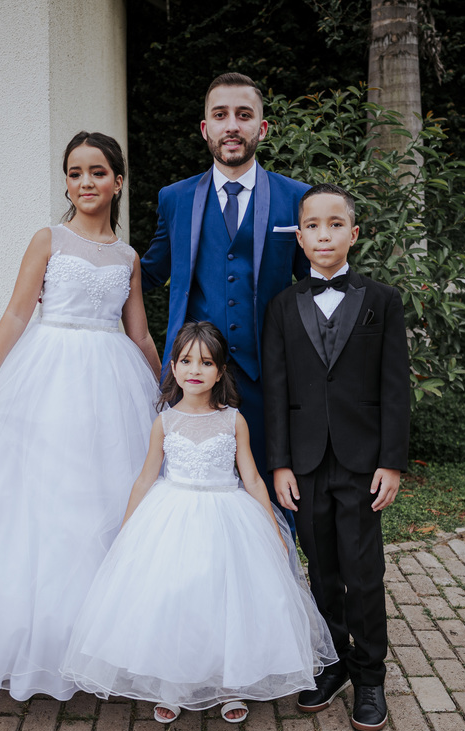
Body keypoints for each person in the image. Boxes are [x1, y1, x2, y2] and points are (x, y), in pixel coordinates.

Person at [0, 131, 161, 700]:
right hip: (49, 377)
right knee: (42, 502)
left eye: (97, 172)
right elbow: (18, 313)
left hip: (111, 383)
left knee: (102, 497)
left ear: (118, 182)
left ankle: (94, 639)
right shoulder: (49, 240)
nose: (85, 182)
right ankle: (25, 641)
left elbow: (138, 333)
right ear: (66, 183)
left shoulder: (128, 258)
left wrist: (164, 387)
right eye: (75, 173)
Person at [60, 322, 336, 724]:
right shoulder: (165, 422)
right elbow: (145, 478)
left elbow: (252, 479)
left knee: (228, 601)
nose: (195, 369)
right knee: (175, 599)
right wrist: (127, 530)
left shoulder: (233, 420)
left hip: (227, 516)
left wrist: (274, 530)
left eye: (206, 362)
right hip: (172, 516)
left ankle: (229, 683)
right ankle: (172, 684)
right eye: (187, 361)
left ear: (220, 372)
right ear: (173, 367)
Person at [262, 184, 410, 731]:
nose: (323, 235)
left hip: (362, 461)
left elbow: (395, 386)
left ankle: (370, 676)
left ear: (353, 233)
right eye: (312, 226)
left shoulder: (382, 301)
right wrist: (279, 463)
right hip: (303, 464)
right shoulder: (282, 306)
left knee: (363, 571)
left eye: (335, 224)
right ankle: (334, 661)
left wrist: (391, 461)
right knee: (321, 569)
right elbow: (276, 390)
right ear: (299, 238)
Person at [140, 72, 309, 485]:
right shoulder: (175, 198)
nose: (232, 125)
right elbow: (150, 272)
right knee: (192, 489)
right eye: (220, 115)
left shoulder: (297, 197)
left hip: (267, 374)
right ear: (205, 129)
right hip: (193, 378)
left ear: (262, 128)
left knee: (268, 488)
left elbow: (312, 283)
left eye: (243, 115)